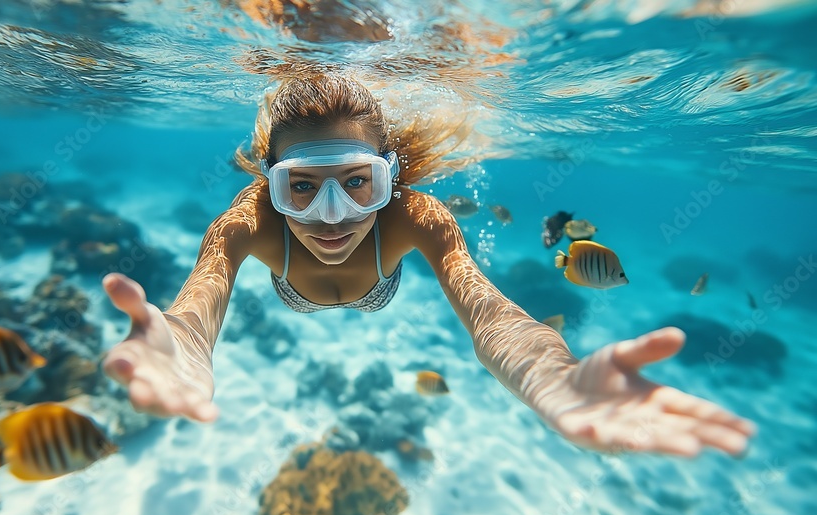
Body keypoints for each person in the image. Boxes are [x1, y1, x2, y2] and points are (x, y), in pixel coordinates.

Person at [101, 73, 755, 457]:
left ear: (392, 178)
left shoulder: (419, 218)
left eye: (358, 183)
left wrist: (550, 376)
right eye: (301, 186)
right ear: (268, 182)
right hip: (293, 292)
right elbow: (198, 306)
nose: (332, 217)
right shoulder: (246, 223)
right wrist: (183, 349)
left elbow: (488, 312)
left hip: (377, 288)